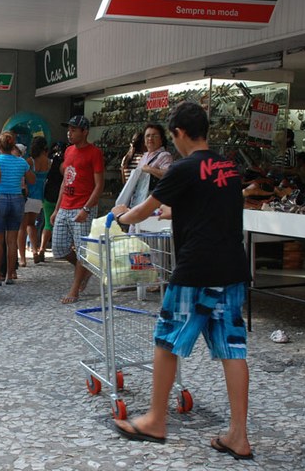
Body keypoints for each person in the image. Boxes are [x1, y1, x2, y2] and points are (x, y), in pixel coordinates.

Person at [109, 101, 252, 460]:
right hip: (232, 269)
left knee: (167, 340)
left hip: (195, 270)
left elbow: (141, 210)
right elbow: (209, 204)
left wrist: (122, 214)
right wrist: (173, 210)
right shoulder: (228, 167)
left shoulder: (183, 167)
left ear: (179, 133)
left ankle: (156, 420)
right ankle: (239, 435)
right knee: (232, 349)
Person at [50, 116, 104, 304]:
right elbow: (66, 181)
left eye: (74, 130)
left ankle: (75, 288)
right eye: (69, 129)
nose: (69, 133)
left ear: (85, 131)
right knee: (58, 247)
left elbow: (99, 185)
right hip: (65, 205)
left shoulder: (94, 153)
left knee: (82, 249)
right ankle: (85, 269)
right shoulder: (69, 151)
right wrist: (57, 209)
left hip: (83, 206)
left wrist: (87, 209)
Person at [0, 132, 34, 286]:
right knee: (12, 240)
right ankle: (10, 275)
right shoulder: (21, 162)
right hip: (17, 199)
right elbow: (32, 179)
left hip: (0, 198)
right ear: (13, 146)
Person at [19, 136, 50, 266]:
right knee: (32, 224)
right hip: (39, 198)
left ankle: (23, 258)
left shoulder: (30, 161)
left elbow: (22, 175)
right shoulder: (48, 162)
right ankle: (35, 250)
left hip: (28, 195)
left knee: (22, 227)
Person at [39, 141, 67, 262]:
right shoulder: (64, 165)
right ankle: (63, 250)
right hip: (61, 197)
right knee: (62, 223)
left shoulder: (49, 162)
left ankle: (42, 248)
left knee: (47, 224)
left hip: (48, 194)